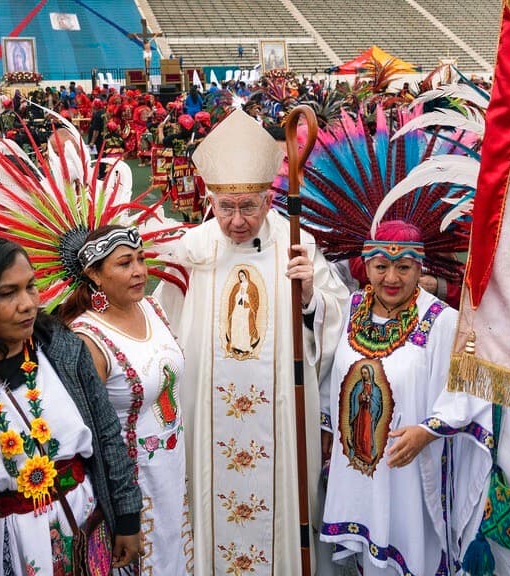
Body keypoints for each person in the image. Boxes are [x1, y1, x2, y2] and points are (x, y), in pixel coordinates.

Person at [155, 108, 350, 573]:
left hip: (282, 417)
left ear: (268, 200)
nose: (238, 220)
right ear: (211, 200)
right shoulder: (193, 248)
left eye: (250, 207)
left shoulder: (295, 242)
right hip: (208, 418)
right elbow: (162, 332)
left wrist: (310, 299)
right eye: (228, 207)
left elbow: (335, 318)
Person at [0, 237, 143, 575]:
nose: (28, 304)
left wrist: (127, 516)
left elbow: (106, 435)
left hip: (83, 525)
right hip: (2, 543)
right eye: (8, 293)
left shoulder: (62, 350)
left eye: (30, 287)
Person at [319, 221, 482, 575]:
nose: (391, 278)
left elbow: (467, 389)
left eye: (403, 267)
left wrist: (427, 431)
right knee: (370, 553)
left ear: (420, 269)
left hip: (409, 467)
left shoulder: (441, 322)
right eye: (381, 266)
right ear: (367, 267)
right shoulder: (352, 309)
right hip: (359, 466)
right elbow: (328, 370)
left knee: (408, 550)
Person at [57, 225, 194, 575]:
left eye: (141, 259)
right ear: (94, 275)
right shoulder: (88, 338)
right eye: (124, 263)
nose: (139, 271)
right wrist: (122, 512)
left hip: (173, 471)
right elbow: (93, 435)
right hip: (131, 484)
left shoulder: (151, 307)